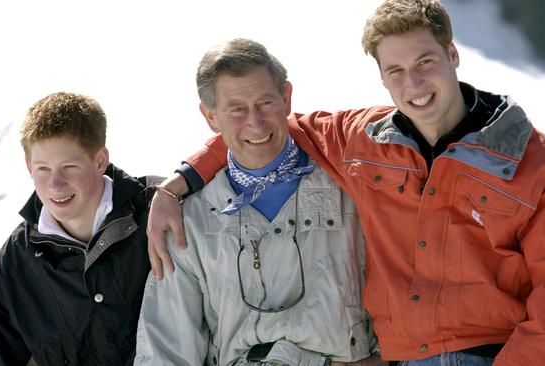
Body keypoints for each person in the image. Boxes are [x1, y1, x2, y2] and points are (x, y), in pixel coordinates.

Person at [147, 1, 545, 365]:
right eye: (396, 71)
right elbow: (263, 131)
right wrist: (179, 184)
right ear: (382, 77)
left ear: (453, 55)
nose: (414, 84)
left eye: (426, 62)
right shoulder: (362, 140)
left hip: (492, 355)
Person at [133, 38, 382, 366]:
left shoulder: (352, 190)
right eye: (236, 109)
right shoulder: (186, 224)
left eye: (265, 102)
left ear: (286, 97)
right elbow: (166, 351)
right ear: (210, 116)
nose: (256, 122)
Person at [0, 92, 160, 365]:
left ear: (100, 161)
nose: (55, 185)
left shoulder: (157, 210)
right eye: (43, 169)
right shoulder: (16, 263)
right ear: (29, 166)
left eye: (69, 167)